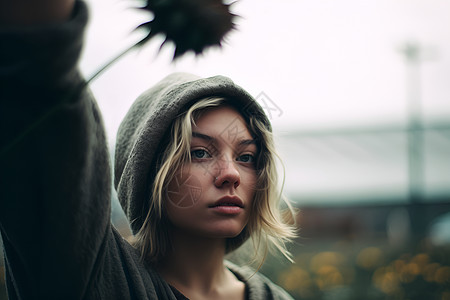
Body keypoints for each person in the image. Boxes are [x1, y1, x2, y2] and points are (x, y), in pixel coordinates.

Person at [0, 0, 297, 299]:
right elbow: (37, 70)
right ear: (147, 169)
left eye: (246, 157)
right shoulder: (95, 277)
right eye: (200, 153)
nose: (230, 174)